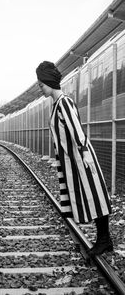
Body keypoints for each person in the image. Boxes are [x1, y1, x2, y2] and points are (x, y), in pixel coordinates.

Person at [36, 61, 113, 256]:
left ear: (49, 82)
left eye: (42, 85)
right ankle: (105, 239)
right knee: (91, 196)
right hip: (73, 160)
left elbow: (76, 129)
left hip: (81, 158)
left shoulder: (64, 103)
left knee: (95, 196)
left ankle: (104, 240)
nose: (41, 89)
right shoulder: (56, 105)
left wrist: (85, 152)